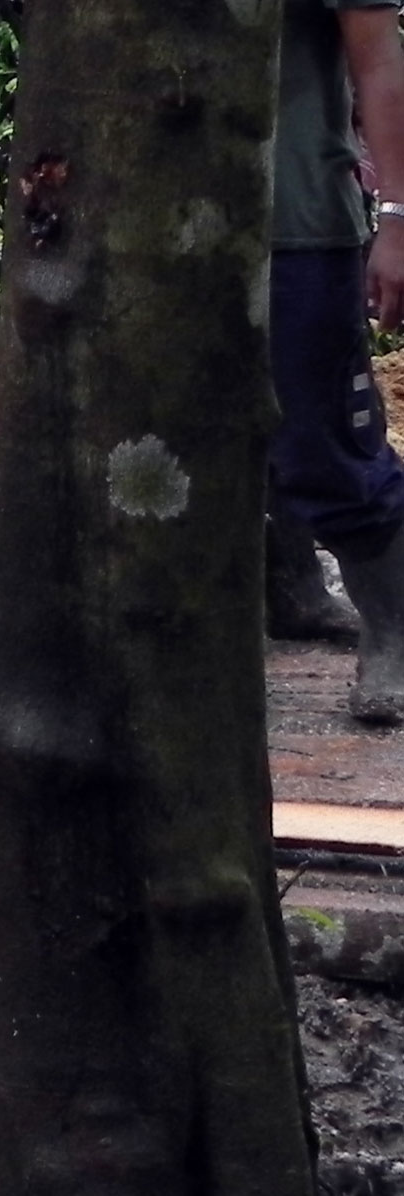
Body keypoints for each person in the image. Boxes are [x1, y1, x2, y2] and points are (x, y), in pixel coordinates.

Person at [270, 0, 404, 721]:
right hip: (139, 232)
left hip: (297, 219)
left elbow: (377, 57)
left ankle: (393, 632)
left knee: (328, 440)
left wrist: (397, 217)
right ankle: (286, 590)